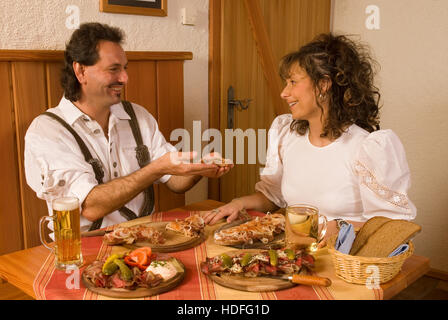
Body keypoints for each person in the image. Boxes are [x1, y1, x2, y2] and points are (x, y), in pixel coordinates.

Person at [25, 22, 231, 235]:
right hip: (82, 250)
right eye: (114, 69)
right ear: (81, 71)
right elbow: (90, 207)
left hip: (145, 243)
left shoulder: (137, 115)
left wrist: (201, 168)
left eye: (125, 68)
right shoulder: (48, 131)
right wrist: (157, 168)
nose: (125, 78)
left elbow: (175, 181)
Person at [203, 33, 417, 237]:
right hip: (297, 254)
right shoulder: (286, 133)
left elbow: (390, 225)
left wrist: (342, 227)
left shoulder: (368, 147)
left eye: (293, 82)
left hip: (345, 263)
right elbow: (273, 196)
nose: (284, 93)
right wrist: (239, 203)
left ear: (323, 85)